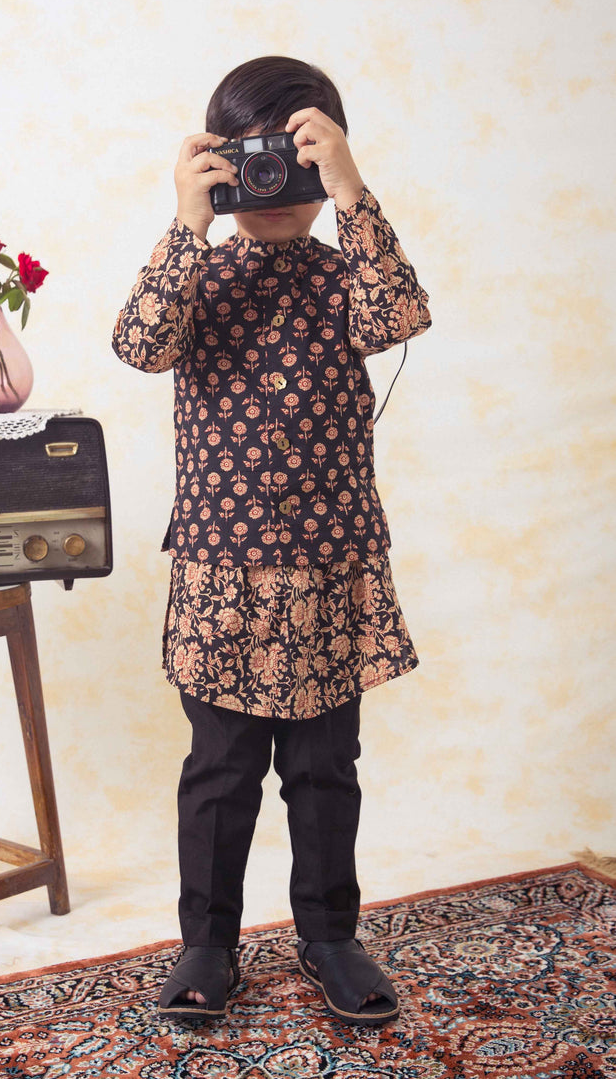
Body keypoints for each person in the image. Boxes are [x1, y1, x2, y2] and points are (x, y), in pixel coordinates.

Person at [112, 55, 431, 1026]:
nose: (277, 186)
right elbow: (138, 344)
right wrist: (187, 221)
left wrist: (351, 189)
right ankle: (207, 945)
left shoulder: (346, 276)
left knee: (326, 770)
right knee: (220, 773)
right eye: (259, 162)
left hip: (332, 567)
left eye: (298, 161)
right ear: (222, 160)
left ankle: (330, 936)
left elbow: (401, 315)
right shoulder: (199, 278)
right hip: (223, 571)